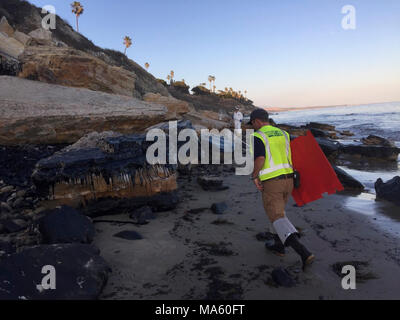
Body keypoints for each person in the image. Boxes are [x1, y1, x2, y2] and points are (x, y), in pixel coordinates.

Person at [249, 108, 315, 270]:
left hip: (273, 182)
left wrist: (254, 176)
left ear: (257, 121)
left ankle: (304, 253)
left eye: (252, 123)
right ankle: (279, 247)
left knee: (276, 216)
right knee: (279, 214)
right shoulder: (283, 134)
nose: (253, 127)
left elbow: (260, 158)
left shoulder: (258, 136)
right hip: (289, 180)